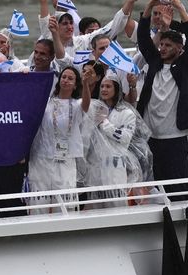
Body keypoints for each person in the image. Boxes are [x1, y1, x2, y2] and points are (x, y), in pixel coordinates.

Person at [136, 0, 188, 200]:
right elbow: (143, 38)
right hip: (152, 136)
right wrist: (150, 5)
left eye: (168, 46)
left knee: (178, 188)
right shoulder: (154, 62)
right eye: (162, 45)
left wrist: (180, 8)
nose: (162, 49)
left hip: (175, 137)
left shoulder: (185, 67)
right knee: (156, 184)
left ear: (179, 49)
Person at [81, 70, 151, 207]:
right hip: (95, 167)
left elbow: (125, 138)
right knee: (96, 208)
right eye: (102, 86)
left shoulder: (127, 113)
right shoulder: (94, 108)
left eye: (108, 86)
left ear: (116, 89)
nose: (104, 89)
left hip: (115, 167)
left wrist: (105, 123)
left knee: (117, 206)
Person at [25, 67, 84, 214]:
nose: (65, 80)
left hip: (65, 160)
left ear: (76, 85)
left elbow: (87, 105)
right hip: (41, 159)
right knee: (38, 204)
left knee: (65, 205)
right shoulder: (45, 103)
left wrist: (88, 85)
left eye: (70, 78)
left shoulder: (77, 105)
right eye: (63, 77)